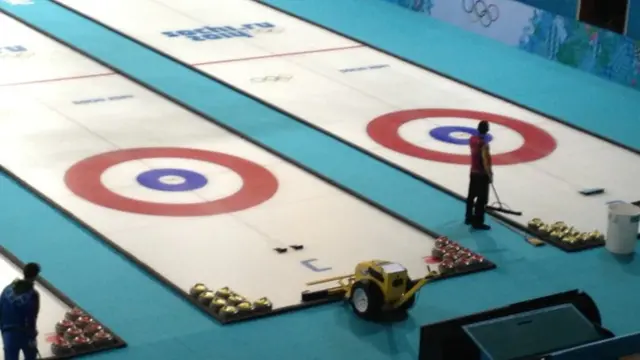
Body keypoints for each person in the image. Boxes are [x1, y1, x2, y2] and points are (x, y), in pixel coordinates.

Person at [0, 262, 41, 360]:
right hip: (24, 334)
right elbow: (32, 318)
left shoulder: (7, 290)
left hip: (8, 333)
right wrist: (32, 336)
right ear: (36, 276)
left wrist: (3, 332)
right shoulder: (33, 295)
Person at [465, 121, 492, 230]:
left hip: (473, 171)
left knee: (471, 196)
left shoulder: (472, 139)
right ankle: (478, 222)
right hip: (481, 174)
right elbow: (485, 161)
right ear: (487, 130)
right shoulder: (484, 144)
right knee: (482, 199)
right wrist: (489, 174)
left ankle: (468, 217)